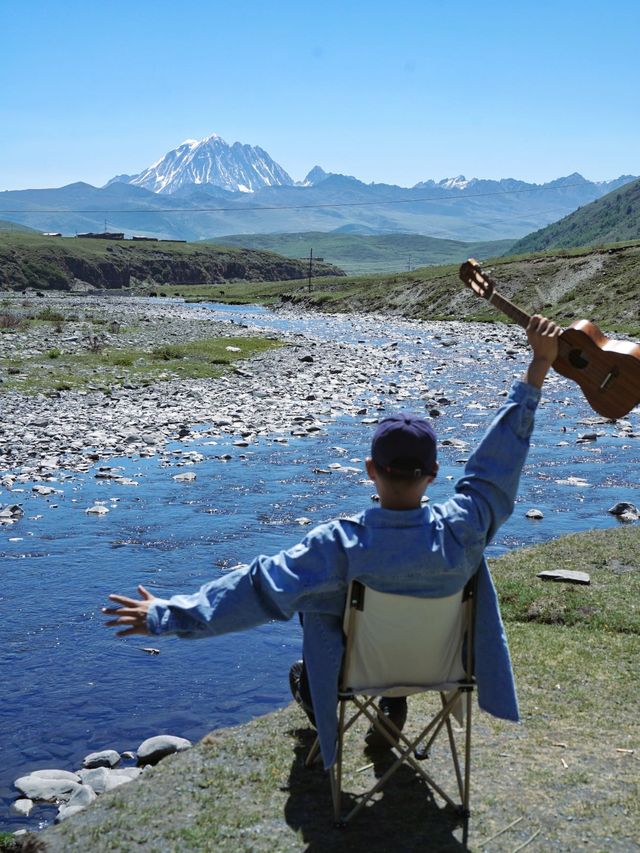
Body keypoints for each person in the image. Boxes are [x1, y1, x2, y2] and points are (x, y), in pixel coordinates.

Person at [104, 315, 561, 769]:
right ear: (434, 476)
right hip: (445, 670)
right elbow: (498, 463)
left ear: (370, 470)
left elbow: (256, 588)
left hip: (355, 674)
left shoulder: (338, 544)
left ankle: (330, 698)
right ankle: (393, 702)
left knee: (313, 602)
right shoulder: (465, 527)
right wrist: (538, 365)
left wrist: (167, 615)